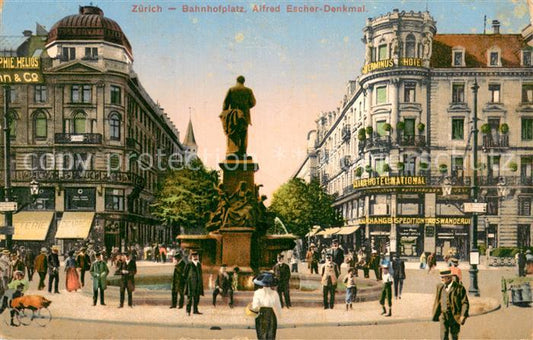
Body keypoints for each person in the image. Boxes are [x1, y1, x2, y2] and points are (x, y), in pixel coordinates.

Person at [221, 75, 257, 156]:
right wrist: (246, 107)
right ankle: (243, 152)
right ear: (244, 82)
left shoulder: (231, 90)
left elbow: (225, 104)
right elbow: (253, 103)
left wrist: (225, 114)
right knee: (243, 134)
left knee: (233, 133)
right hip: (244, 116)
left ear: (236, 81)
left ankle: (232, 152)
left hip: (233, 115)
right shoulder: (248, 91)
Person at [432, 269, 469, 340]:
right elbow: (438, 300)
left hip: (454, 316)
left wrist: (463, 315)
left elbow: (465, 302)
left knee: (454, 336)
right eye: (441, 277)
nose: (441, 279)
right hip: (443, 315)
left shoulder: (459, 288)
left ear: (449, 278)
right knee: (443, 337)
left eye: (443, 277)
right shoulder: (439, 287)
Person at [249, 272, 282, 340]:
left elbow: (255, 306)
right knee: (271, 334)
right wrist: (279, 315)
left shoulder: (257, 292)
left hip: (260, 315)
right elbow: (278, 306)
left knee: (261, 334)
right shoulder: (274, 293)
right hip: (271, 315)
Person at [183, 251, 204, 315]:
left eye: (196, 256)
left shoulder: (199, 264)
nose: (195, 257)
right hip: (190, 284)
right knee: (189, 299)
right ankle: (188, 311)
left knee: (197, 298)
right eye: (194, 256)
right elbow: (184, 274)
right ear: (191, 257)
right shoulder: (189, 264)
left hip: (198, 284)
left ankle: (195, 310)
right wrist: (187, 281)